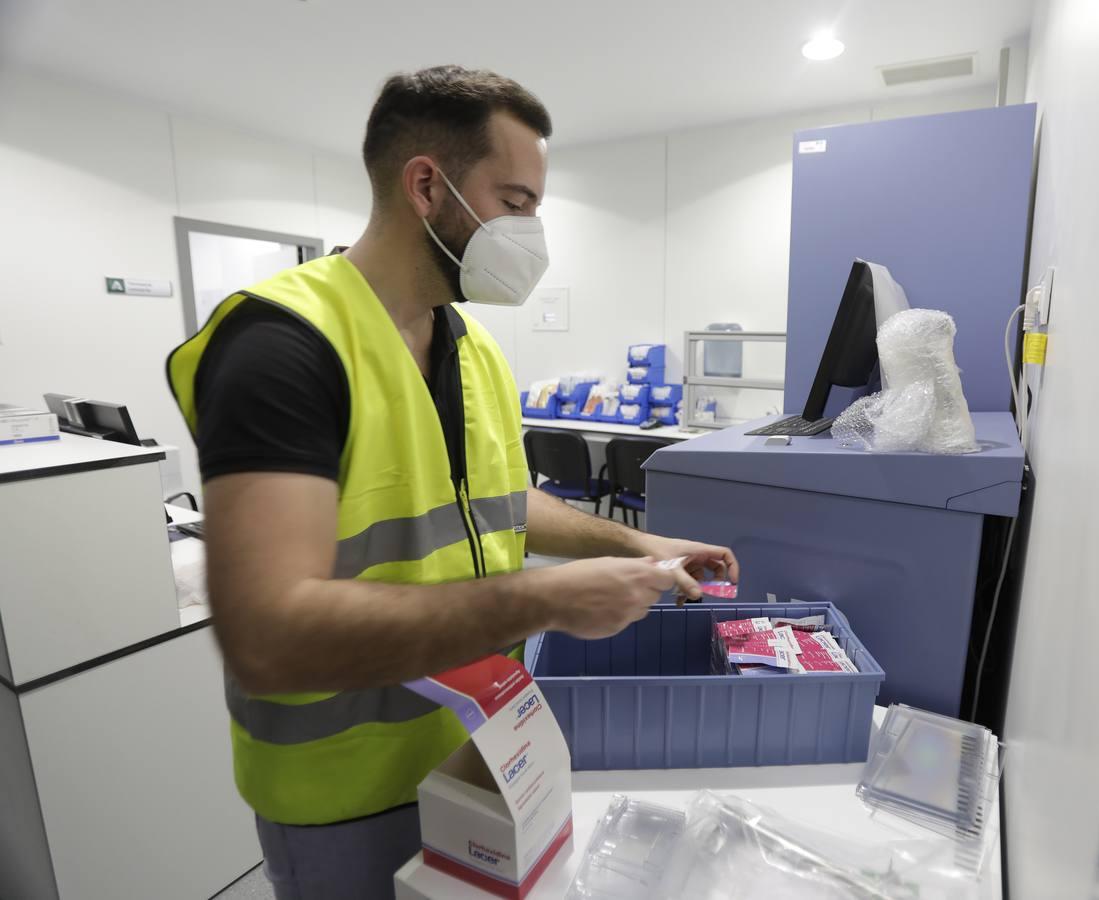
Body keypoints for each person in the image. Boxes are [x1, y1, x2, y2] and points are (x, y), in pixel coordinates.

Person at [166, 65, 736, 900]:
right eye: (515, 203)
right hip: (345, 794)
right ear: (427, 186)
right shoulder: (279, 346)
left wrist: (635, 541)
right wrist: (545, 600)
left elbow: (500, 504)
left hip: (480, 742)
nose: (533, 232)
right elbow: (268, 635)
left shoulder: (471, 348)